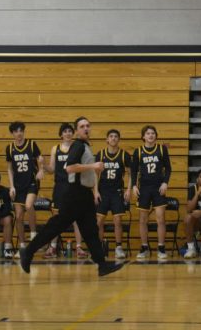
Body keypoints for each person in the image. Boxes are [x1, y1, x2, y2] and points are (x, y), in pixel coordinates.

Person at [19, 116, 125, 278]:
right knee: (56, 226)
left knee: (90, 231)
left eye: (88, 125)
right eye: (82, 126)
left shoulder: (85, 146)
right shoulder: (78, 146)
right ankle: (28, 251)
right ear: (77, 131)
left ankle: (102, 265)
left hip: (84, 195)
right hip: (75, 194)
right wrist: (93, 165)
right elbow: (69, 168)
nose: (86, 128)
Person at [45, 122, 86, 259]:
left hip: (74, 186)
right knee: (57, 217)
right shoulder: (55, 148)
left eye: (70, 131)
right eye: (65, 131)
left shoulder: (78, 147)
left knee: (77, 218)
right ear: (61, 134)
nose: (68, 133)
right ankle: (53, 246)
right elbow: (51, 169)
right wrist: (43, 165)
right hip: (60, 186)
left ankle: (79, 247)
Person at [131, 125, 171, 260]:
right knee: (142, 220)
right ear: (143, 137)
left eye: (153, 133)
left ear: (156, 135)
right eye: (148, 133)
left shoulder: (161, 149)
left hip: (158, 187)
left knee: (160, 219)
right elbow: (133, 171)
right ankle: (144, 247)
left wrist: (165, 182)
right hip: (144, 188)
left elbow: (169, 168)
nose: (150, 135)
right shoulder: (138, 151)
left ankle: (161, 247)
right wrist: (133, 186)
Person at [6, 121, 44, 251]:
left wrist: (41, 170)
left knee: (28, 205)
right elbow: (10, 169)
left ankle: (34, 235)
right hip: (18, 185)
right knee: (19, 216)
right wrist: (11, 186)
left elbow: (40, 159)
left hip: (32, 182)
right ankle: (22, 246)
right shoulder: (10, 148)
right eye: (16, 131)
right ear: (12, 134)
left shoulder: (31, 144)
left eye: (21, 130)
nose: (19, 133)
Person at [95, 128, 132, 260]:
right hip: (103, 192)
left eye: (116, 136)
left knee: (118, 220)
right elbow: (95, 175)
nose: (113, 138)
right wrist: (95, 191)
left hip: (117, 192)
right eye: (111, 136)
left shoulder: (124, 155)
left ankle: (118, 247)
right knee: (99, 221)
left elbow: (130, 173)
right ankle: (98, 248)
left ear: (119, 139)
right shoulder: (100, 154)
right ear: (107, 139)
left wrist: (128, 190)